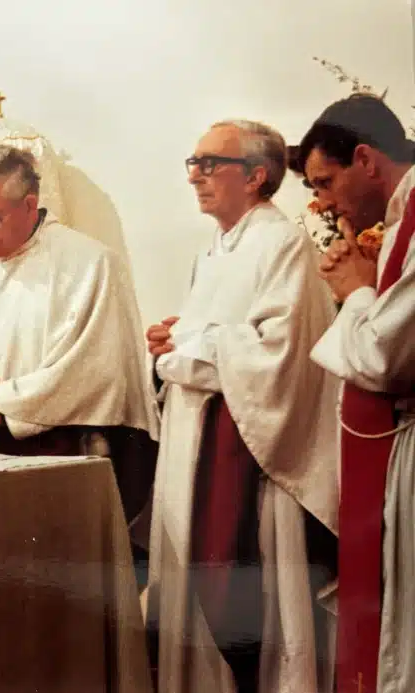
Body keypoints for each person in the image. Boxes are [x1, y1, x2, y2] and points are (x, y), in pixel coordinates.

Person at [144, 120, 339, 693]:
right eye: (193, 162)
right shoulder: (218, 249)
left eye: (210, 164)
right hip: (196, 445)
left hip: (249, 459)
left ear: (256, 176)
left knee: (251, 612)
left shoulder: (282, 245)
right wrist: (176, 342)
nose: (194, 176)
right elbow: (220, 338)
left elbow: (278, 355)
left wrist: (183, 349)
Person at [0, 144, 158, 524]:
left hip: (55, 454)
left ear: (30, 205)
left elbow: (94, 367)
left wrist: (0, 404)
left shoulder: (90, 263)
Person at [295, 94, 415, 693]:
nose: (320, 201)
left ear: (365, 158)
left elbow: (383, 357)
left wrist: (356, 290)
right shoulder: (397, 219)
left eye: (324, 180)